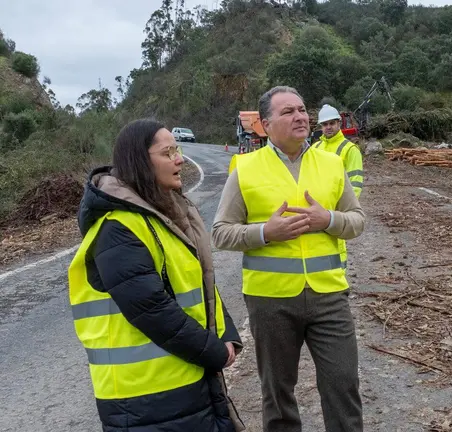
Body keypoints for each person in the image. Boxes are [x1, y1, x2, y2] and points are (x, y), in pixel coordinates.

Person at [68, 119, 244, 431]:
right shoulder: (118, 229)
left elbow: (199, 283)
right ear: (139, 162)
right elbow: (152, 310)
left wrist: (227, 332)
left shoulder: (166, 217)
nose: (179, 159)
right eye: (168, 153)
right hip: (144, 400)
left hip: (183, 384)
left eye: (177, 150)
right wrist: (215, 351)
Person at [211, 86, 366, 432]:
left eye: (301, 109)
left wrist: (329, 220)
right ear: (265, 125)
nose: (300, 116)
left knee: (343, 386)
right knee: (278, 395)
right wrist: (266, 232)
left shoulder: (332, 163)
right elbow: (221, 232)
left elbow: (357, 221)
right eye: (288, 112)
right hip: (271, 301)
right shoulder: (246, 168)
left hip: (329, 297)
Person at [312, 103, 365, 270]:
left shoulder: (350, 149)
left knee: (337, 244)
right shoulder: (315, 148)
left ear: (338, 123)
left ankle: (339, 278)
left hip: (337, 209)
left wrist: (345, 210)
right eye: (325, 124)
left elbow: (355, 183)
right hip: (315, 206)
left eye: (331, 123)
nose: (328, 127)